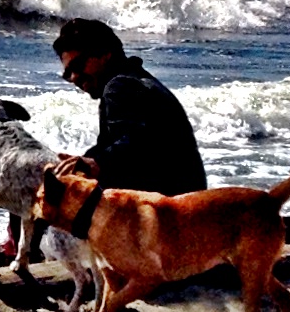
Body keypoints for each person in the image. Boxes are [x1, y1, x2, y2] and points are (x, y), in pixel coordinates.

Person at [49, 16, 206, 195]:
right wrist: (86, 160)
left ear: (105, 53)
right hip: (186, 202)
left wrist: (98, 162)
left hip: (167, 206)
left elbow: (138, 143)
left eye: (78, 65)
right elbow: (126, 143)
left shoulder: (120, 86)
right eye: (67, 74)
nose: (74, 77)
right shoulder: (136, 80)